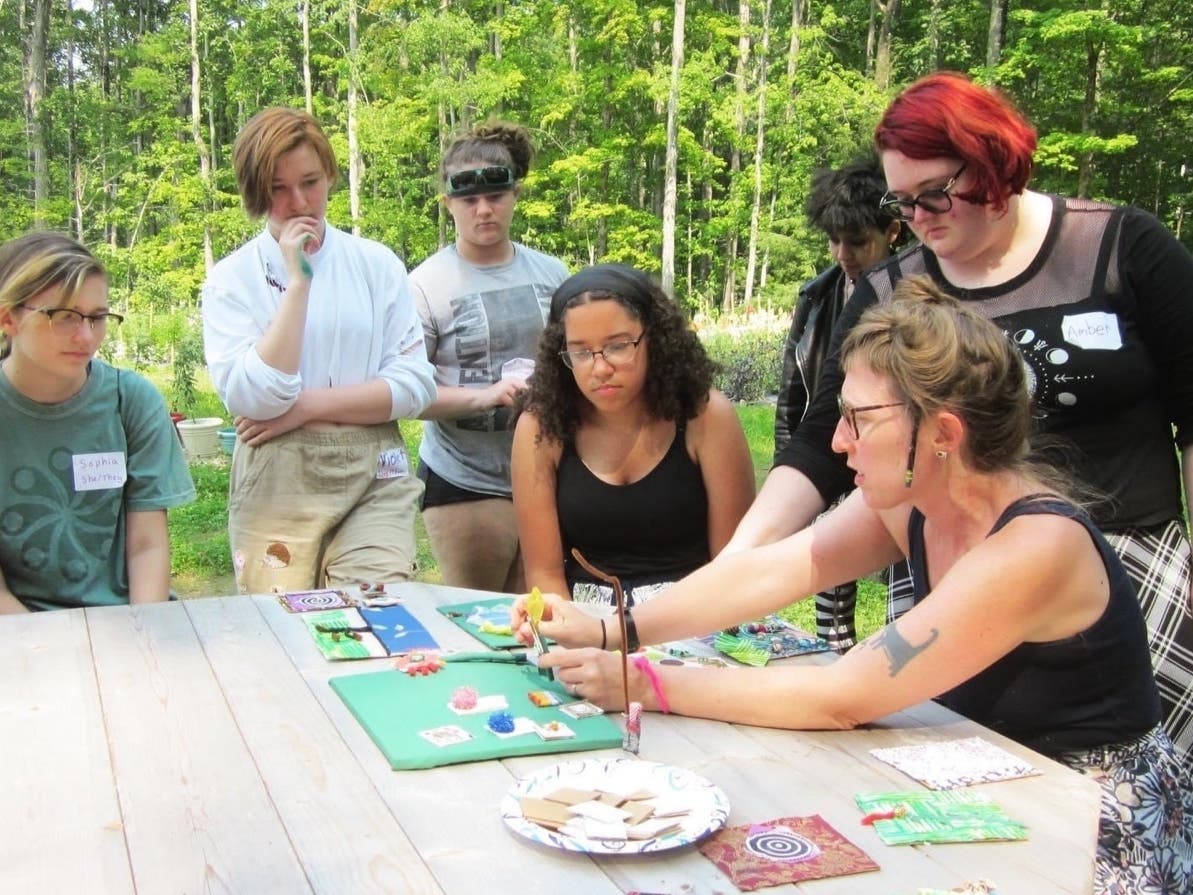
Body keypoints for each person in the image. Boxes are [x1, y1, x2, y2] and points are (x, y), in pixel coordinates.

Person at [517, 279, 1193, 894]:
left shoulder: (1035, 545)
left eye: (859, 418)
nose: (838, 442)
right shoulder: (910, 500)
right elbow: (766, 570)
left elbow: (845, 695)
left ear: (942, 433)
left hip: (1085, 827)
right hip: (985, 783)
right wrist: (614, 628)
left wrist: (642, 682)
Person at [730, 71, 1193, 762]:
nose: (917, 218)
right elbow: (821, 444)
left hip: (1131, 563)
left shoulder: (1122, 248)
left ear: (995, 160)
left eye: (935, 193)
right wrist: (740, 561)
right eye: (902, 201)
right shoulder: (892, 287)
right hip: (945, 565)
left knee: (1119, 786)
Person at [201, 107, 436, 594]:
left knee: (378, 604)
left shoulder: (375, 264)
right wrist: (297, 284)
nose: (300, 202)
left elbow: (415, 387)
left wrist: (302, 408)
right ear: (255, 193)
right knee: (281, 627)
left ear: (330, 174)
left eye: (310, 181)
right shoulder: (232, 278)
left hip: (375, 467)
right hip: (276, 475)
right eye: (278, 189)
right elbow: (254, 400)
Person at [511, 263, 755, 608]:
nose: (600, 368)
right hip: (585, 621)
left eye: (618, 346)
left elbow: (733, 565)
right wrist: (578, 640)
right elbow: (545, 575)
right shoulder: (541, 427)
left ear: (654, 339)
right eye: (581, 352)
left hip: (696, 615)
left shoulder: (706, 416)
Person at [411, 121, 569, 593]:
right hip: (465, 478)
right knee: (477, 618)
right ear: (449, 204)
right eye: (468, 200)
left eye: (496, 197)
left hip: (550, 471)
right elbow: (407, 394)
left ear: (515, 195)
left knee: (544, 620)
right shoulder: (424, 286)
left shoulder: (552, 273)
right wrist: (485, 397)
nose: (484, 210)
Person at [0, 232, 195, 612]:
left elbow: (147, 545)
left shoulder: (131, 400)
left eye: (98, 317)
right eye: (64, 317)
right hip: (21, 631)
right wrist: (52, 652)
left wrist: (144, 636)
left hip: (131, 619)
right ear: (9, 318)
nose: (86, 336)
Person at [775, 159, 901, 650]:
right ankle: (834, 644)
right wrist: (791, 450)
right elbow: (795, 384)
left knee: (895, 554)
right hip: (828, 438)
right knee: (828, 555)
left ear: (893, 230)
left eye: (858, 242)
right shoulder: (818, 294)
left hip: (885, 442)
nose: (844, 254)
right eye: (834, 241)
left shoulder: (913, 292)